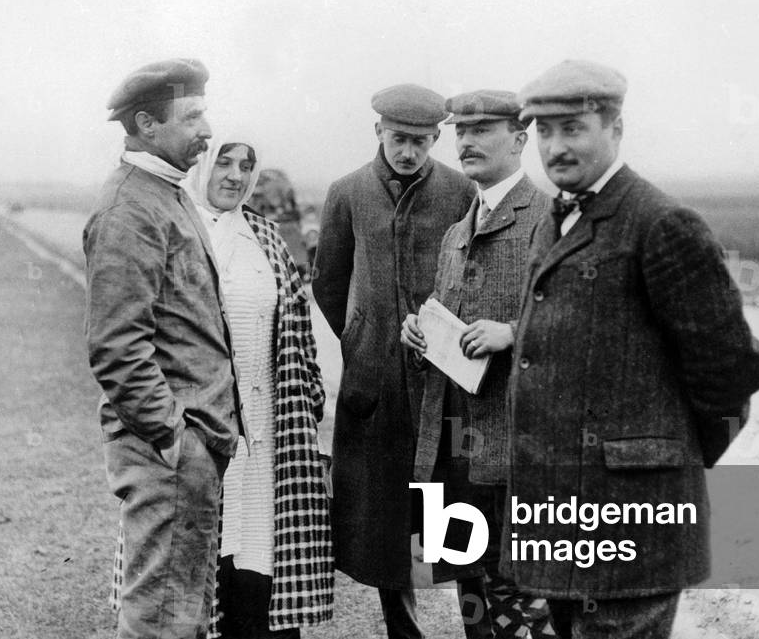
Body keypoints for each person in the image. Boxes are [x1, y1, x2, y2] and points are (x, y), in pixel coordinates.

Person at [503, 59, 759, 638]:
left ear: (615, 128)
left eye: (573, 128)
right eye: (544, 132)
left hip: (635, 528)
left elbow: (731, 368)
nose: (556, 147)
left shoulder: (662, 223)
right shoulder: (554, 221)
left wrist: (665, 464)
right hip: (561, 524)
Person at [84, 58, 243, 639]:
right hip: (170, 449)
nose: (207, 130)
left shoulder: (163, 193)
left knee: (183, 614)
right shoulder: (130, 208)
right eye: (192, 116)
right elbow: (116, 347)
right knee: (161, 619)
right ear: (147, 124)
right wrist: (174, 437)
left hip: (190, 445)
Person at [313, 83, 475, 638]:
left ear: (435, 140)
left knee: (456, 513)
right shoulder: (347, 192)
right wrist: (364, 336)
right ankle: (404, 633)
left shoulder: (460, 191)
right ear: (378, 131)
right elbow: (329, 281)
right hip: (375, 384)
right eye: (398, 138)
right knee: (385, 525)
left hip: (445, 382)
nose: (408, 152)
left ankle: (479, 627)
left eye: (420, 142)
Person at [400, 89, 553, 639]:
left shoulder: (549, 220)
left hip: (515, 444)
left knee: (523, 596)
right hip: (453, 445)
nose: (466, 141)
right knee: (470, 588)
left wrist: (512, 333)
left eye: (482, 129)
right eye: (460, 131)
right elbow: (450, 323)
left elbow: (585, 326)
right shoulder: (455, 234)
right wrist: (420, 335)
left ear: (519, 139)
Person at [184, 129, 333, 638]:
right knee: (205, 563)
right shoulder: (176, 230)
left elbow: (301, 330)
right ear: (201, 164)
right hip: (203, 426)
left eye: (245, 166)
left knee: (261, 559)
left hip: (269, 424)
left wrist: (307, 398)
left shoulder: (265, 236)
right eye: (223, 162)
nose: (235, 176)